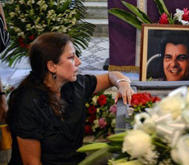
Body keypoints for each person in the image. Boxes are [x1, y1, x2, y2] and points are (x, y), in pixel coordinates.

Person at [6, 32, 134, 165]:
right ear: (52, 66)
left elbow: (110, 76)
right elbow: (31, 163)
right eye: (71, 57)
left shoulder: (73, 85)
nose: (79, 62)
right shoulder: (26, 102)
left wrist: (123, 83)